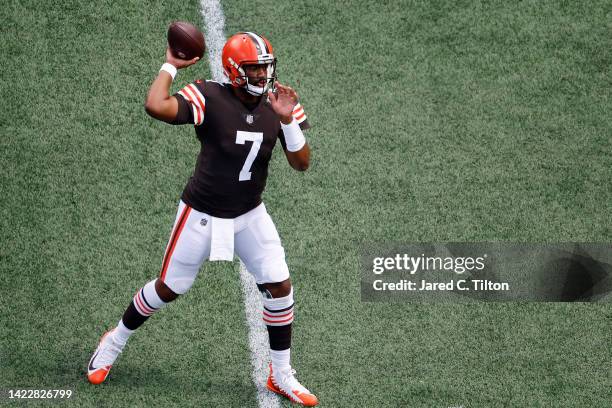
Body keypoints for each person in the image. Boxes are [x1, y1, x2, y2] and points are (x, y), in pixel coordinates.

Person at [86, 31, 318, 406]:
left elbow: (301, 164)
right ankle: (113, 341)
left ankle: (282, 374)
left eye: (266, 68)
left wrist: (288, 121)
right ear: (234, 71)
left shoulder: (281, 103)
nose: (263, 77)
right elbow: (155, 105)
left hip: (249, 214)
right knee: (168, 288)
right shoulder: (210, 96)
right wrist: (170, 65)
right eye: (255, 70)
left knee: (280, 286)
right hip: (202, 214)